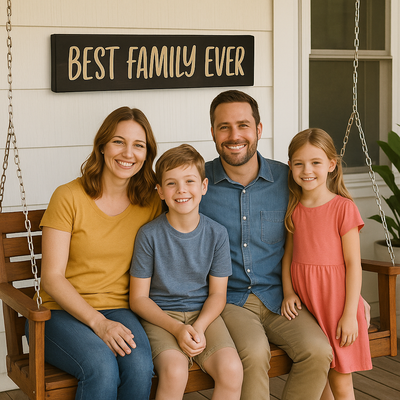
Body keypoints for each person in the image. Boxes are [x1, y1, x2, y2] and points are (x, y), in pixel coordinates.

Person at [199, 90, 333, 400]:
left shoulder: (288, 179)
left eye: (243, 125)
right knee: (255, 353)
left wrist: (355, 298)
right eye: (224, 127)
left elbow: (327, 226)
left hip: (281, 297)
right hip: (229, 301)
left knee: (318, 350)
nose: (235, 135)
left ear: (259, 130)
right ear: (213, 133)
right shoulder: (197, 183)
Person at [29, 107, 162, 400]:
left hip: (120, 310)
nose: (128, 153)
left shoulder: (150, 201)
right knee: (101, 367)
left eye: (138, 145)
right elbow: (51, 278)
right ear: (101, 146)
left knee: (140, 367)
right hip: (58, 314)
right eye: (118, 141)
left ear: (146, 154)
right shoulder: (68, 197)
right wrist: (98, 323)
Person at [130, 144, 243, 400]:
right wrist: (177, 329)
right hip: (160, 317)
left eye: (189, 181)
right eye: (171, 183)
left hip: (203, 316)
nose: (181, 190)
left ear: (203, 186)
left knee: (232, 370)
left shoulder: (217, 234)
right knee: (174, 371)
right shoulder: (149, 235)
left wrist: (200, 327)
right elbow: (138, 299)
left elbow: (217, 294)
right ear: (159, 191)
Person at [281, 128, 372, 400]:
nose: (306, 170)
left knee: (340, 382)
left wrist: (348, 315)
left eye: (315, 162)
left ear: (331, 164)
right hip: (308, 306)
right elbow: (288, 257)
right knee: (321, 379)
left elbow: (353, 264)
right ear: (290, 166)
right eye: (299, 163)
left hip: (337, 306)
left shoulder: (343, 208)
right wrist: (288, 292)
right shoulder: (294, 207)